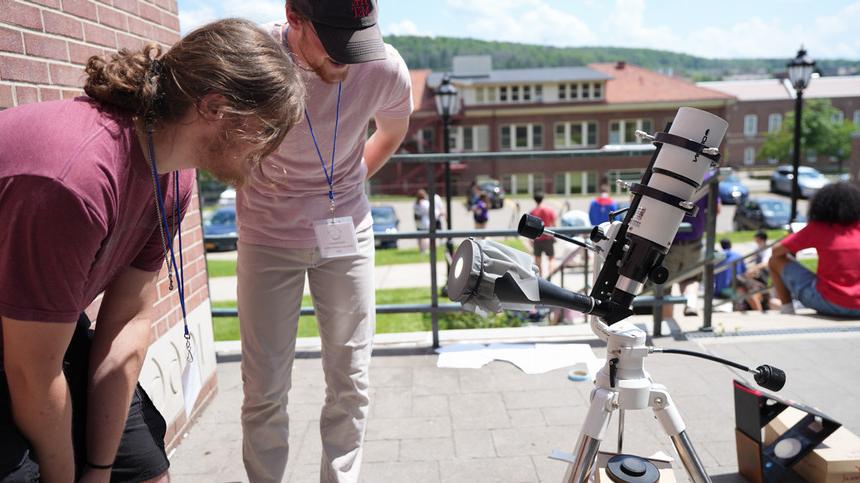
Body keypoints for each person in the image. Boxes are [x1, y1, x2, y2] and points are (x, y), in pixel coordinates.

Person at [0, 19, 304, 483]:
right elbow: (29, 372)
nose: (268, 153)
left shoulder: (174, 173)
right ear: (216, 108)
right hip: (21, 340)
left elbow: (127, 320)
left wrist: (100, 468)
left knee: (145, 470)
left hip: (36, 326)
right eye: (265, 133)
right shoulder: (74, 179)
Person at [236, 1, 413, 481]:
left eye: (357, 40)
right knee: (265, 387)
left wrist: (348, 182)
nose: (347, 58)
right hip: (267, 235)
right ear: (294, 17)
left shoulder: (383, 67)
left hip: (346, 231)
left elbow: (393, 128)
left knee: (351, 379)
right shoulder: (252, 60)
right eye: (334, 42)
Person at [769, 182, 860, 317]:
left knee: (774, 261)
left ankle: (787, 309)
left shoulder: (818, 228)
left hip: (830, 303)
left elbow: (776, 251)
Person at [660, 176, 720, 321]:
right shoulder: (706, 179)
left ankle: (665, 322)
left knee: (663, 284)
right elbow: (716, 209)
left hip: (668, 241)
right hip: (694, 238)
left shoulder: (667, 175)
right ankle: (691, 303)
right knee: (691, 277)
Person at [529, 192, 558, 277]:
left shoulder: (532, 212)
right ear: (543, 199)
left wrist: (530, 239)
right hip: (548, 238)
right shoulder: (549, 210)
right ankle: (550, 276)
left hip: (537, 239)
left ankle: (540, 279)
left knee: (538, 261)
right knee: (551, 258)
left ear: (535, 200)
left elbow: (531, 228)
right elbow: (554, 224)